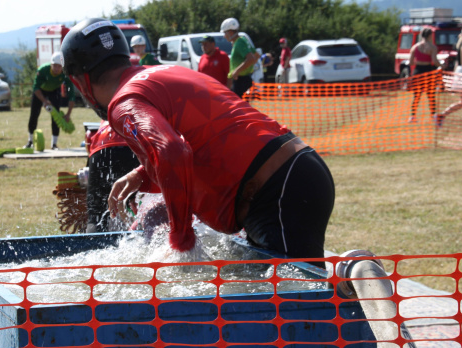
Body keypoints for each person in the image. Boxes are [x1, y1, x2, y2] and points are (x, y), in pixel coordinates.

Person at [62, 19, 335, 268]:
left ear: (80, 82)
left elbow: (173, 152)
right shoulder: (161, 74)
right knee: (282, 297)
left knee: (295, 307)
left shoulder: (123, 103)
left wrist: (181, 239)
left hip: (278, 189)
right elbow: (199, 142)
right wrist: (140, 175)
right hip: (291, 177)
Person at [85, 120, 141, 232]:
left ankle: (93, 246)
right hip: (135, 147)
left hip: (102, 147)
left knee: (96, 215)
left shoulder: (107, 113)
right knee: (145, 208)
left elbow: (89, 140)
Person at [24, 52, 75, 150]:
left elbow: (71, 95)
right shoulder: (43, 70)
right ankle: (30, 141)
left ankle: (54, 144)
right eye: (54, 66)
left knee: (56, 117)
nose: (57, 69)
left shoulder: (65, 73)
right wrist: (44, 101)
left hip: (54, 91)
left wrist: (68, 114)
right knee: (34, 115)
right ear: (51, 65)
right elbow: (36, 88)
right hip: (40, 92)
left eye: (59, 66)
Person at [221, 17, 260, 98]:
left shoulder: (239, 43)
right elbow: (256, 55)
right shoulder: (242, 40)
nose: (224, 36)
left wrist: (237, 71)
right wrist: (249, 69)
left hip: (241, 81)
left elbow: (251, 58)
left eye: (225, 33)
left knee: (240, 107)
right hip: (244, 79)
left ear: (230, 32)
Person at [407, 28, 439, 123]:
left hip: (417, 71)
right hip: (428, 71)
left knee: (416, 95)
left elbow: (411, 62)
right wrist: (442, 66)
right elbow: (435, 61)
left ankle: (413, 116)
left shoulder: (415, 47)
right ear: (430, 36)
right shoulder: (432, 47)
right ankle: (433, 115)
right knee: (431, 94)